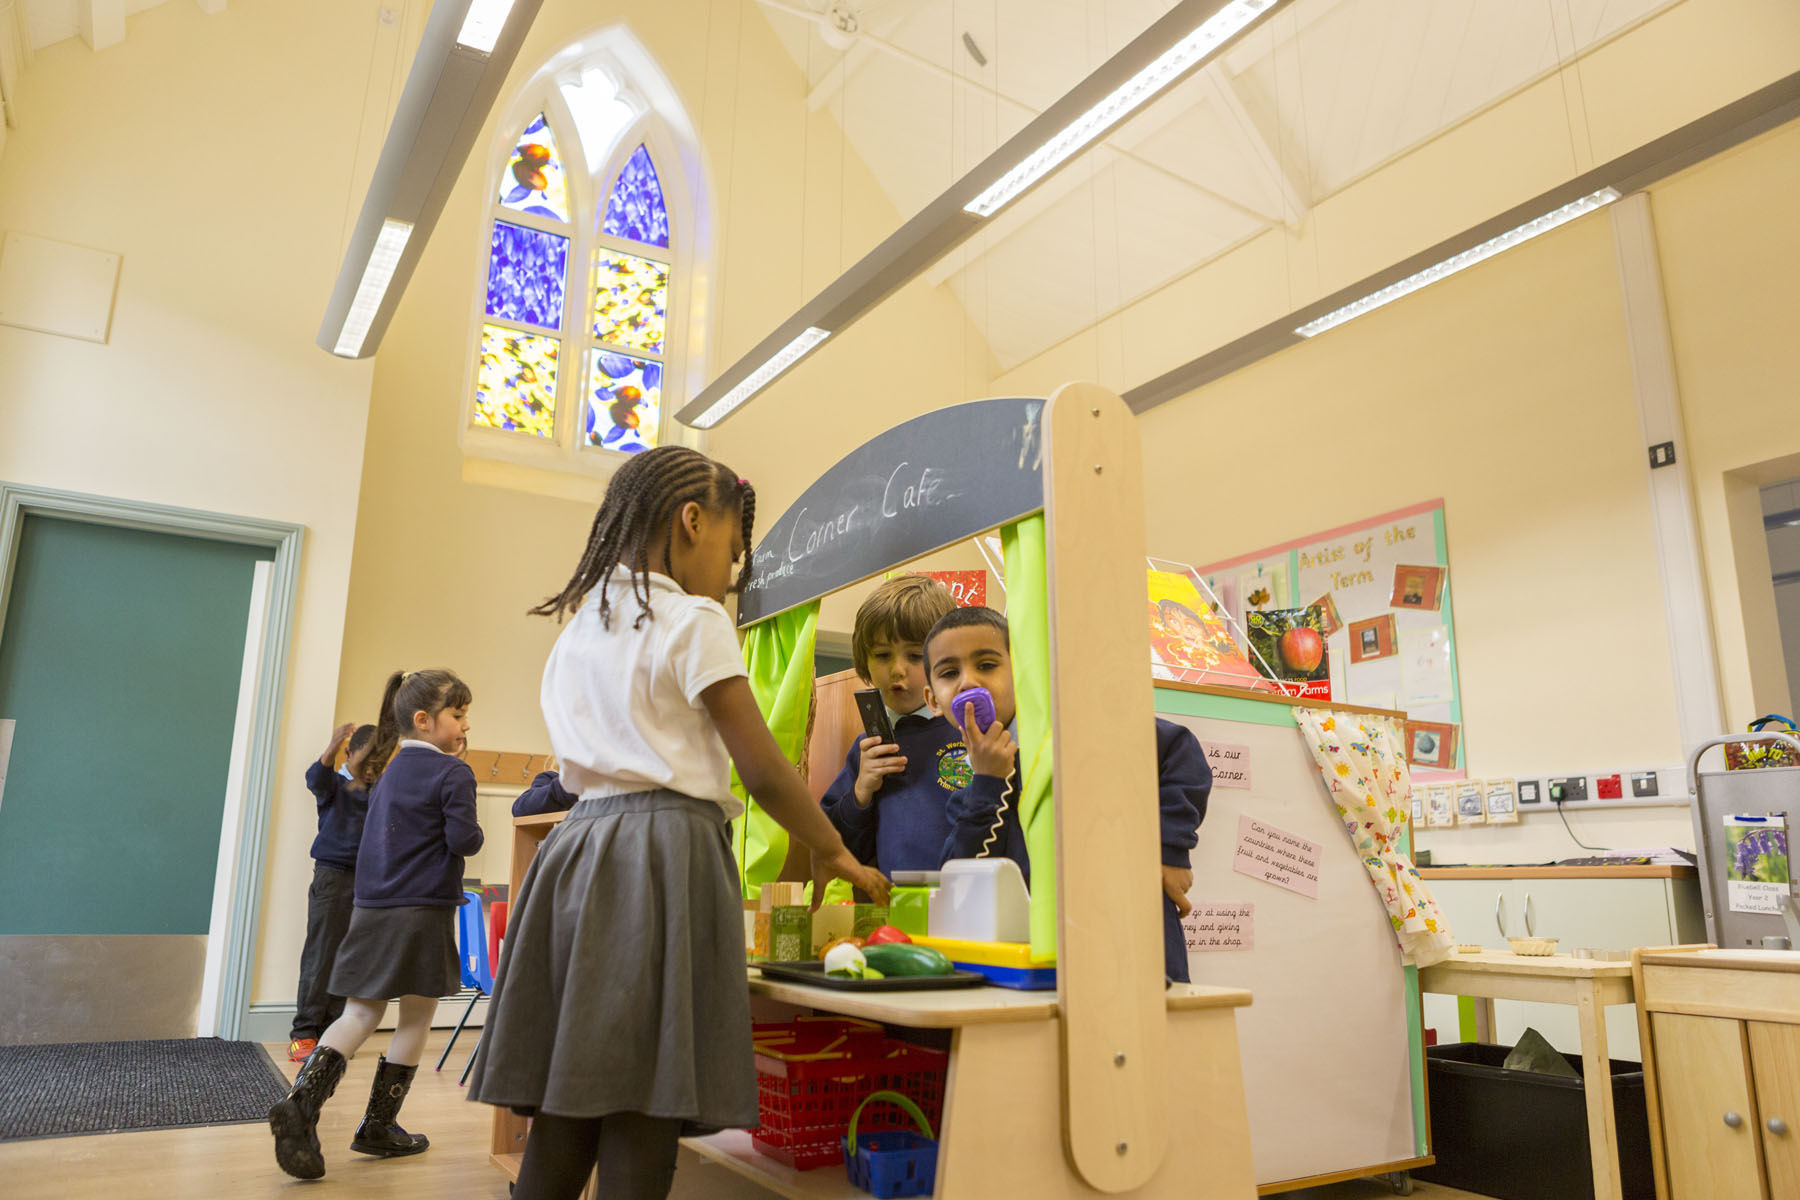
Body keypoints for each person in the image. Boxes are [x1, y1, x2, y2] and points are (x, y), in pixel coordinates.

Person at [465, 446, 889, 1200]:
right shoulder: (693, 619)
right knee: (646, 1095)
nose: (729, 575)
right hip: (663, 851)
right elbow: (763, 769)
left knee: (576, 1092)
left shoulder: (577, 632)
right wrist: (835, 851)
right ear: (693, 521)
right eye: (732, 550)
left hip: (576, 852)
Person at [268, 669, 481, 1180]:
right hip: (422, 909)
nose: (465, 724)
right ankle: (379, 1127)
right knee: (416, 1018)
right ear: (424, 720)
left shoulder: (387, 771)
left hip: (371, 906)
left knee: (360, 1013)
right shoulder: (453, 773)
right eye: (458, 715)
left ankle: (300, 1103)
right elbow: (465, 841)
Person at [924, 606, 1210, 982]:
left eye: (987, 665)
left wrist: (1169, 850)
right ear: (933, 699)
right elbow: (956, 878)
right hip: (1038, 971)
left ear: (1021, 671)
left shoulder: (1069, 729)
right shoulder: (970, 795)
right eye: (949, 673)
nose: (968, 682)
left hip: (1130, 944)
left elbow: (1179, 752)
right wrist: (988, 782)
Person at [819, 574, 967, 874]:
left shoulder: (972, 733)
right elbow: (837, 850)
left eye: (915, 655)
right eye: (882, 655)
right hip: (895, 900)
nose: (897, 670)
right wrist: (861, 793)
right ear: (865, 661)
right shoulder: (868, 750)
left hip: (971, 896)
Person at [288, 720, 377, 1063]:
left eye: (378, 763)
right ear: (349, 754)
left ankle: (332, 1031)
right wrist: (331, 746)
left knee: (349, 957)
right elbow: (315, 779)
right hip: (332, 877)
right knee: (321, 953)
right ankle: (304, 1033)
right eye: (365, 761)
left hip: (366, 881)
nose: (370, 770)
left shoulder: (378, 792)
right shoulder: (335, 786)